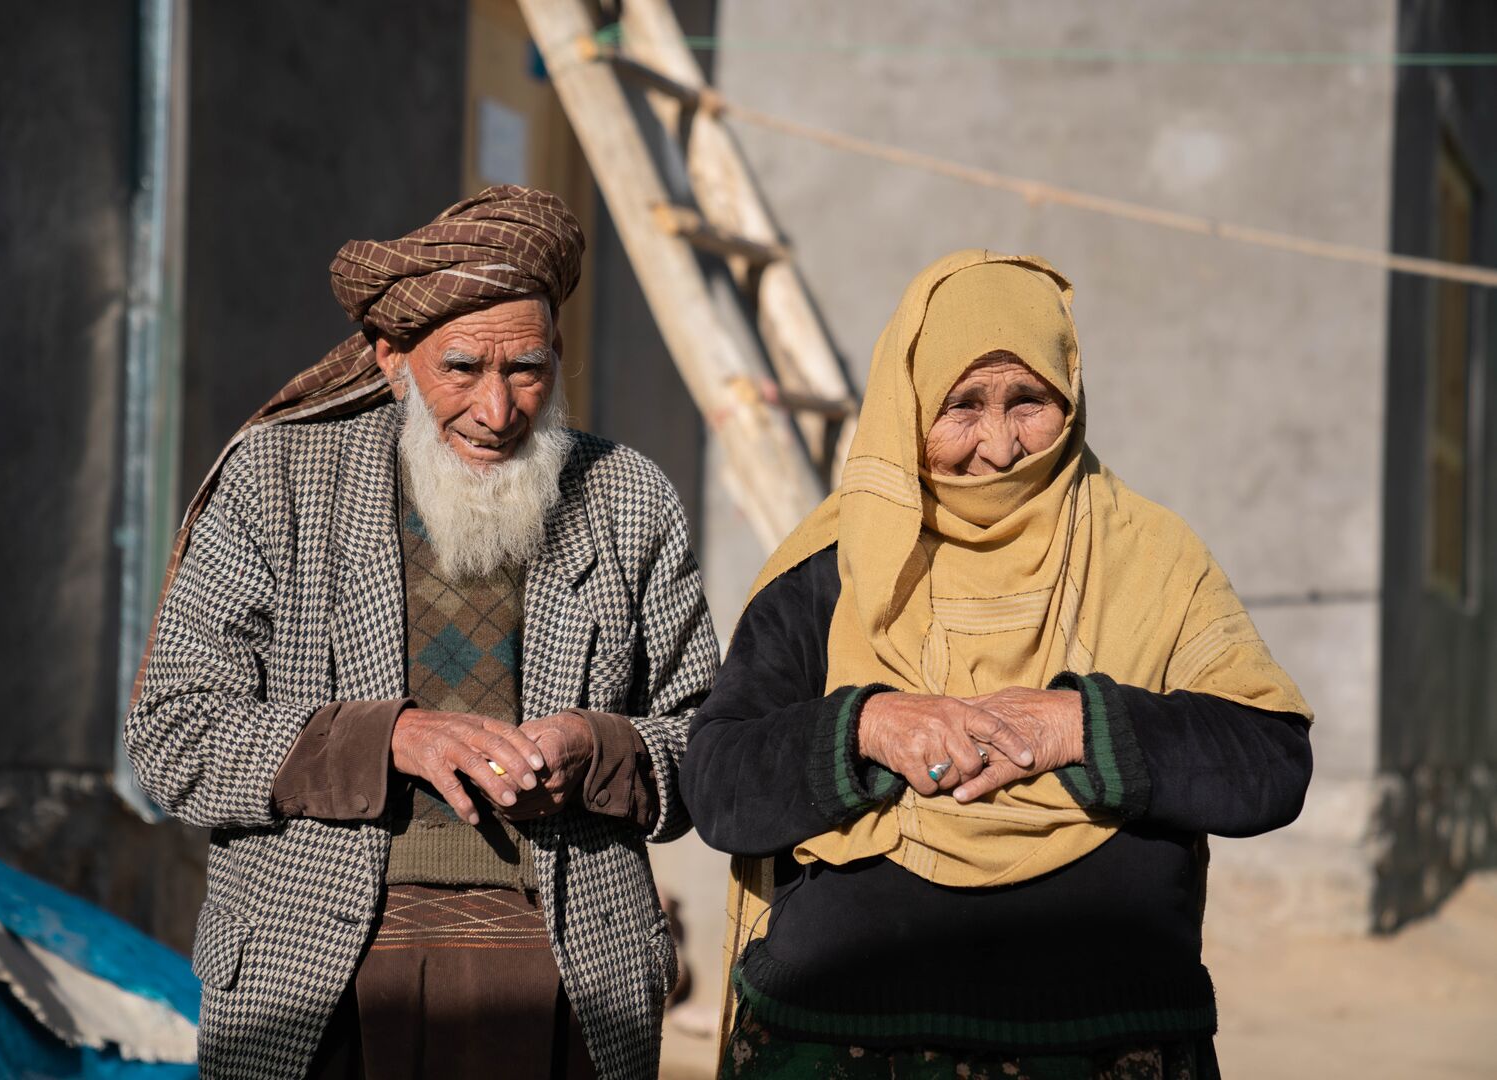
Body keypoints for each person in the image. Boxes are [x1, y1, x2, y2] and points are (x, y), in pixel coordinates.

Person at [125, 186, 718, 1080]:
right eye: (462, 368)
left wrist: (596, 749)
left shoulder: (625, 497)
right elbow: (173, 733)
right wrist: (389, 740)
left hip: (567, 982)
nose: (498, 409)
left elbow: (706, 744)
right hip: (315, 980)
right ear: (391, 358)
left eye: (527, 369)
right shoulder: (278, 481)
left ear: (558, 355)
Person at [681, 250, 1313, 1079]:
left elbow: (1269, 762)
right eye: (962, 407)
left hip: (1106, 1039)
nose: (999, 445)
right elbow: (717, 783)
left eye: (1028, 401)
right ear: (909, 407)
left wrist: (1081, 725)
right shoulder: (834, 566)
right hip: (845, 1041)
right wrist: (866, 725)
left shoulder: (1151, 556)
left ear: (1070, 396)